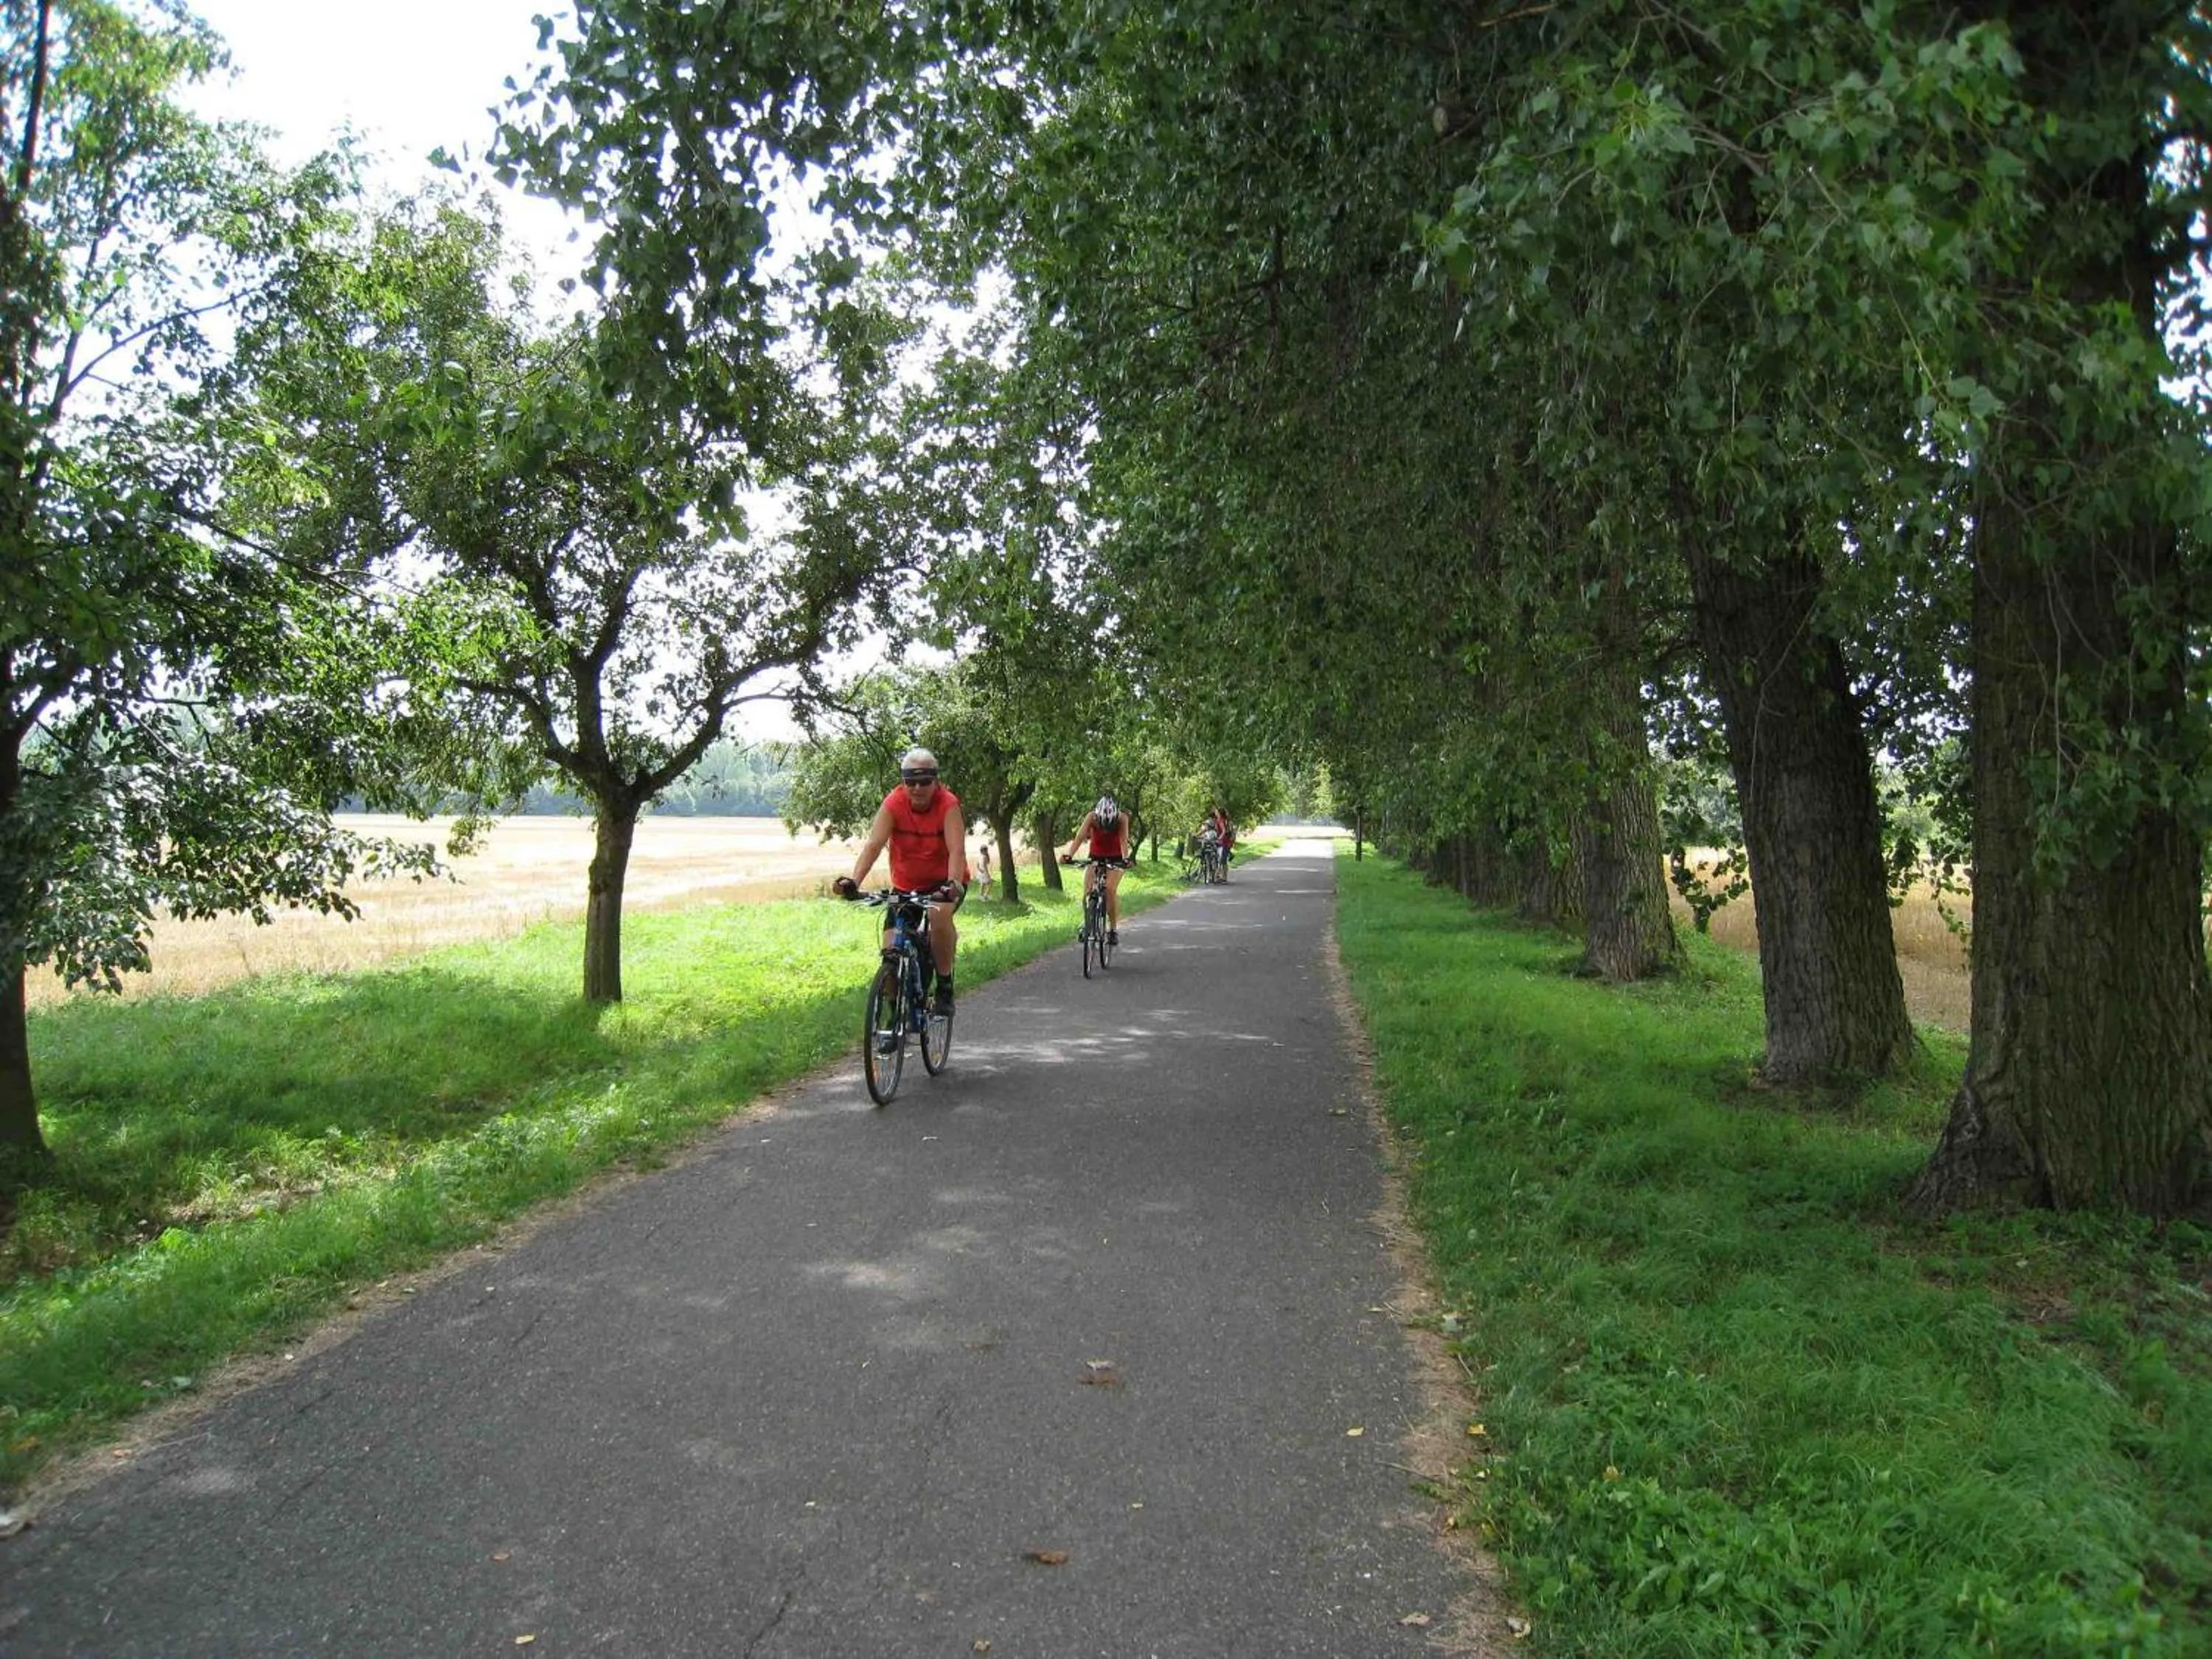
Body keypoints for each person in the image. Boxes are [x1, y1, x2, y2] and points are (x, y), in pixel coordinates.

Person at [832, 748, 966, 1012]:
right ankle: (895, 1018)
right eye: (910, 782)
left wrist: (952, 884)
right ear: (903, 781)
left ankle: (944, 987)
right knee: (890, 952)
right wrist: (854, 882)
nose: (917, 788)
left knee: (940, 916)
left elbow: (957, 850)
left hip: (943, 884)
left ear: (935, 781)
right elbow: (873, 845)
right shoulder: (893, 803)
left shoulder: (947, 804)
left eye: (925, 781)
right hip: (906, 885)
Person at [1061, 795, 1132, 945]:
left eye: (1109, 827)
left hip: (1117, 858)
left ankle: (1112, 930)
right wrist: (1069, 855)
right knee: (1088, 890)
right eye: (1103, 826)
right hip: (1096, 856)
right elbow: (1080, 837)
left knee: (1110, 889)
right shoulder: (1091, 817)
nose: (1106, 830)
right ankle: (1088, 924)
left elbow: (1123, 840)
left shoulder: (1122, 819)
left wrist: (1126, 859)